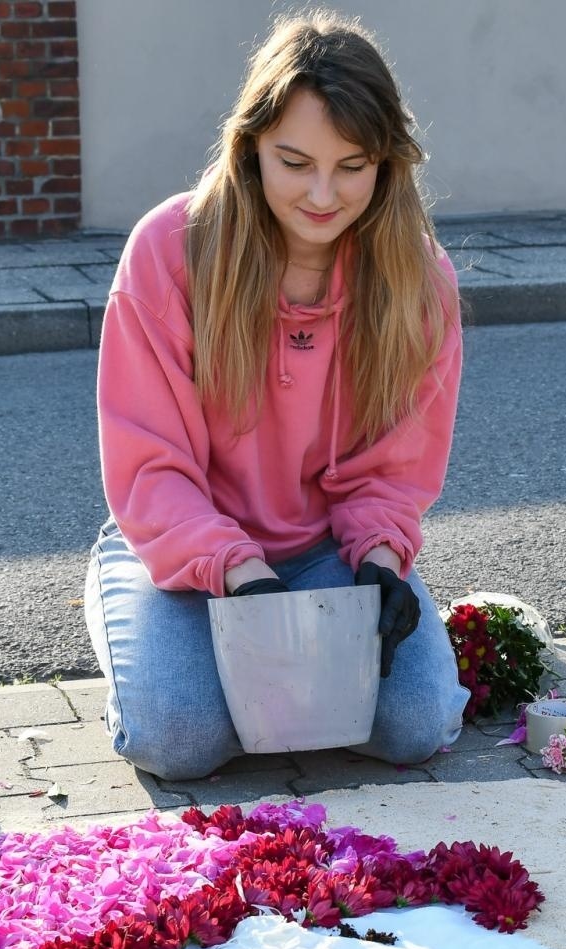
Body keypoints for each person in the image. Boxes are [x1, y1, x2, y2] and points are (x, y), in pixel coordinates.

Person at [84, 11, 466, 781]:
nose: (323, 194)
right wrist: (239, 576)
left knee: (416, 724)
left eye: (352, 166)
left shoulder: (419, 280)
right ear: (251, 145)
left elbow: (394, 471)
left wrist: (384, 562)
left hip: (328, 551)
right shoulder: (170, 249)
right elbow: (151, 461)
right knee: (180, 741)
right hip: (186, 552)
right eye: (295, 162)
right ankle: (116, 592)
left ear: (387, 164)